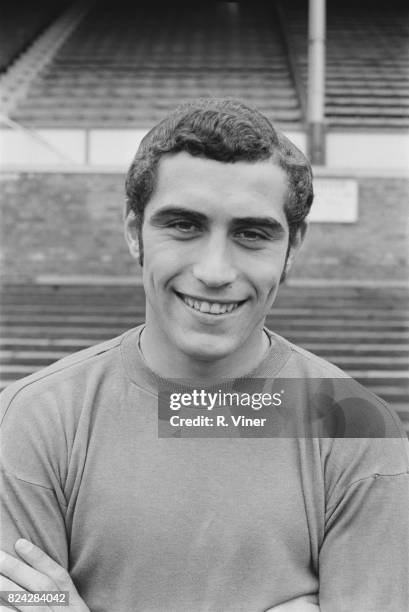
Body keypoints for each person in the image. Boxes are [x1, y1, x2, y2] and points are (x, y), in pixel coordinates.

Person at [0, 98, 408, 612]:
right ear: (134, 232)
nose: (215, 271)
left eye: (252, 234)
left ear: (293, 247)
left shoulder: (353, 423)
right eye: (184, 225)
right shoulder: (35, 418)